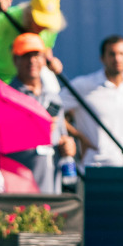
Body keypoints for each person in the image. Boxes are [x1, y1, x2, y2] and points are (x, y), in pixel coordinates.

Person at [62, 35, 123, 168]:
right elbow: (53, 109)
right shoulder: (83, 86)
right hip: (94, 167)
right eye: (112, 54)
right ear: (102, 58)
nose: (117, 58)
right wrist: (78, 136)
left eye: (122, 53)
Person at [7, 33, 74, 193]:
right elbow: (3, 143)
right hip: (19, 192)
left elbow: (61, 137)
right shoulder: (9, 97)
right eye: (25, 56)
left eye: (36, 55)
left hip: (53, 191)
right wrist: (35, 132)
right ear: (16, 60)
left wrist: (68, 146)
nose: (32, 61)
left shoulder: (54, 98)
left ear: (44, 59)